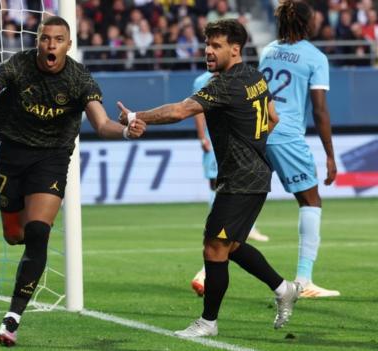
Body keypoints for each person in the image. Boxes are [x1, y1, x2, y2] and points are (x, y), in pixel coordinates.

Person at [0, 15, 146, 347]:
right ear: (38, 41)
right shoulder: (18, 66)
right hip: (13, 154)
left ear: (68, 44)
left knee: (38, 232)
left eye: (58, 39)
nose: (51, 45)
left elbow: (102, 123)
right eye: (45, 38)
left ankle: (12, 319)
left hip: (51, 158)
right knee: (14, 235)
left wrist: (124, 130)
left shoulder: (80, 78)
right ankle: (21, 264)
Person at [118, 19, 300, 337]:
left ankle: (208, 322)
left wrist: (136, 116)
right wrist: (251, 144)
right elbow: (272, 117)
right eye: (207, 45)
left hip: (242, 178)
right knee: (230, 245)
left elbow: (178, 111)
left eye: (216, 46)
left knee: (214, 247)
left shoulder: (223, 84)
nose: (208, 51)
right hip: (254, 173)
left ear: (235, 49)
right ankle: (284, 288)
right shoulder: (255, 76)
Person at [259, 0, 339, 298]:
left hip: (258, 134)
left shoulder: (268, 50)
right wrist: (330, 155)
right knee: (311, 201)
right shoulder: (315, 57)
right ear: (307, 24)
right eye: (314, 19)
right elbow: (319, 111)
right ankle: (304, 280)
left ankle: (207, 269)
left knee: (245, 204)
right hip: (287, 135)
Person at [189, 70, 270, 296]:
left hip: (239, 159)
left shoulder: (238, 81)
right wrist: (202, 136)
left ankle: (282, 288)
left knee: (223, 242)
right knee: (216, 189)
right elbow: (194, 111)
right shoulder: (206, 80)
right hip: (224, 148)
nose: (210, 52)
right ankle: (283, 288)